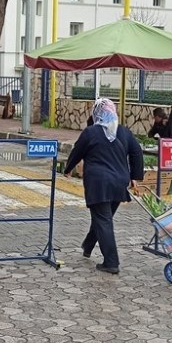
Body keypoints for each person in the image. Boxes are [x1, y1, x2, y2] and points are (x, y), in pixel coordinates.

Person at [62, 98, 144, 275]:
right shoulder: (124, 132)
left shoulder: (91, 132)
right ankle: (88, 245)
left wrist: (67, 169)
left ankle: (111, 262)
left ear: (96, 113)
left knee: (103, 219)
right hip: (119, 183)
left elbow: (77, 150)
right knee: (103, 218)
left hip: (99, 183)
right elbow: (136, 152)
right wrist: (135, 177)